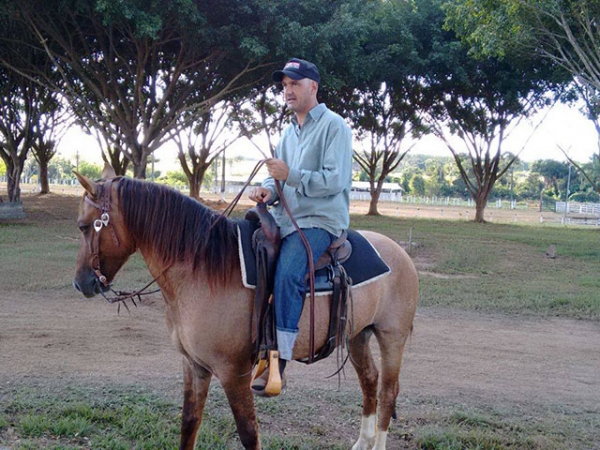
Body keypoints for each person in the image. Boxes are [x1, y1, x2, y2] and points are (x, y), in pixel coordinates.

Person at [248, 58, 353, 395]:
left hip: (319, 220)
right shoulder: (287, 134)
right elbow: (275, 176)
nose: (288, 91)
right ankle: (255, 346)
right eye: (284, 86)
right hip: (286, 217)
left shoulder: (335, 127)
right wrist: (267, 189)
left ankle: (279, 362)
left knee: (290, 271)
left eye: (294, 84)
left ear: (313, 87)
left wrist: (289, 176)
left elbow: (335, 180)